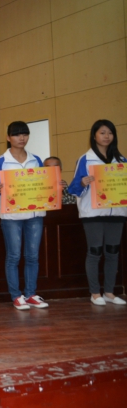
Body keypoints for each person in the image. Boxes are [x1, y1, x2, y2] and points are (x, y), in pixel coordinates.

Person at [0, 121, 48, 310]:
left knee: (32, 256)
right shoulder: (1, 161)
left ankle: (30, 294)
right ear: (8, 137)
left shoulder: (36, 159)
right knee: (14, 256)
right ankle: (16, 295)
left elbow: (44, 183)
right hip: (11, 216)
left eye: (25, 134)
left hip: (35, 213)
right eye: (17, 134)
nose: (22, 138)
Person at [68, 120, 127, 306]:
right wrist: (83, 182)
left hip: (117, 212)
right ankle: (94, 293)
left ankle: (109, 292)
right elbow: (73, 189)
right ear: (94, 136)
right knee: (94, 252)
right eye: (102, 132)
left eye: (110, 133)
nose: (106, 136)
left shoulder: (122, 160)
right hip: (93, 213)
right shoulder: (85, 159)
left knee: (113, 252)